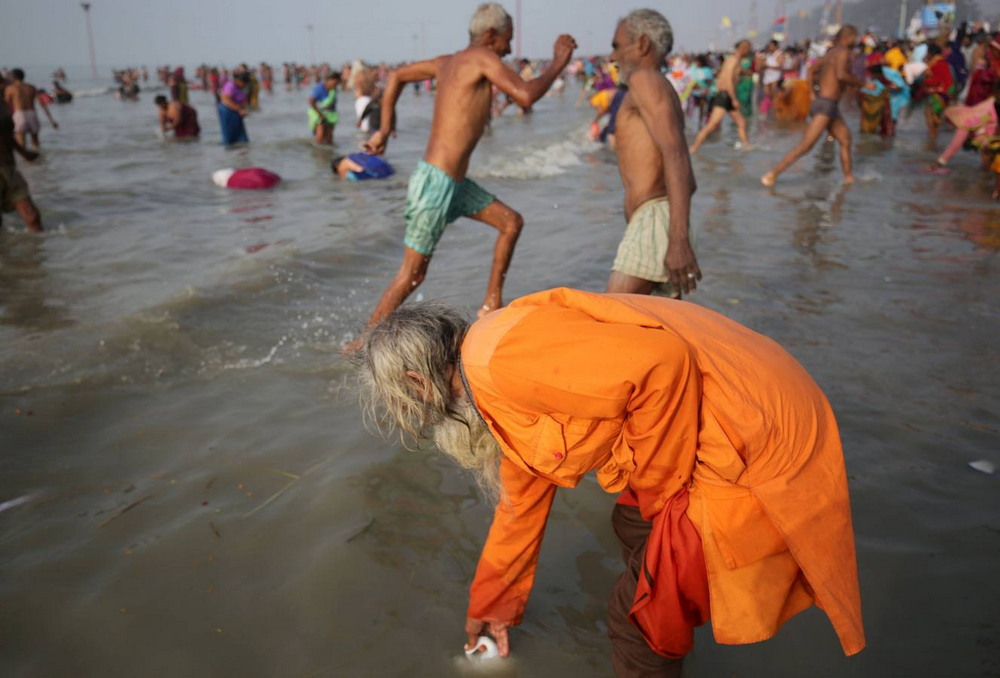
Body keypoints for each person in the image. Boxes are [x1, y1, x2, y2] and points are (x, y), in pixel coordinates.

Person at [355, 287, 867, 676]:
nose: (413, 418)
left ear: (418, 382)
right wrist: (492, 607)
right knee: (631, 520)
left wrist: (661, 493)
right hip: (751, 398)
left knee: (636, 624)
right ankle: (662, 595)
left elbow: (664, 365)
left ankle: (658, 621)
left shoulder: (498, 362)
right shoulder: (486, 376)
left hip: (755, 426)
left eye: (402, 405)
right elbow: (520, 504)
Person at [350, 3, 576, 348]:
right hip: (435, 184)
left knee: (511, 223)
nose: (509, 49)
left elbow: (395, 76)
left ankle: (490, 304)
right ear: (489, 36)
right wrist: (558, 61)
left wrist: (384, 129)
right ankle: (363, 345)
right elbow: (526, 95)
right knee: (412, 275)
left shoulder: (447, 62)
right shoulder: (483, 58)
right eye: (507, 41)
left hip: (453, 184)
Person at [605, 10, 699, 297]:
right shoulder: (655, 85)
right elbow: (686, 174)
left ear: (643, 44)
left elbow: (676, 154)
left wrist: (678, 239)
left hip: (656, 220)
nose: (612, 57)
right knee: (649, 332)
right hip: (656, 221)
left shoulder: (645, 79)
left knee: (610, 320)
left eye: (617, 46)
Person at [762, 26, 865, 187]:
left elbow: (811, 69)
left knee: (845, 138)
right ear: (849, 36)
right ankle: (772, 174)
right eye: (855, 37)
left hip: (828, 105)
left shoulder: (831, 53)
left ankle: (848, 179)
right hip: (826, 105)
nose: (856, 41)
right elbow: (841, 75)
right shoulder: (843, 52)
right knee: (806, 145)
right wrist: (864, 84)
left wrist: (811, 92)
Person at [688, 40, 752, 154]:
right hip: (725, 96)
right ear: (744, 48)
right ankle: (693, 148)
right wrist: (733, 99)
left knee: (741, 122)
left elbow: (726, 75)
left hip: (725, 95)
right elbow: (727, 81)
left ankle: (747, 147)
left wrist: (746, 72)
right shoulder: (733, 61)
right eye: (749, 48)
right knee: (711, 125)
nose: (750, 51)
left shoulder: (733, 61)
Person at [0, 96, 42, 232]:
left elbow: (8, 135)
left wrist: (23, 152)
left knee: (32, 217)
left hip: (9, 169)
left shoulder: (2, 101)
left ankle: (43, 250)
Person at [3, 69, 58, 150]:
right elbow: (42, 105)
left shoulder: (11, 88)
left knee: (21, 143)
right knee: (36, 143)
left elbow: (6, 105)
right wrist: (51, 121)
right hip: (32, 114)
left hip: (19, 115)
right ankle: (38, 160)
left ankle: (25, 162)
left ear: (13, 77)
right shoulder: (31, 87)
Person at [309, 72, 342, 144]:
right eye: (335, 82)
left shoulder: (334, 90)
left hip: (331, 113)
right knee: (320, 136)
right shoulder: (319, 88)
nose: (336, 85)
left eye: (338, 83)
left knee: (329, 137)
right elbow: (311, 101)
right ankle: (318, 153)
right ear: (329, 80)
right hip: (319, 113)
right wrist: (320, 115)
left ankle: (329, 152)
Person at [218, 72, 249, 145]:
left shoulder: (240, 88)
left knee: (241, 136)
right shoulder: (230, 85)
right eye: (243, 83)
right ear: (238, 81)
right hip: (227, 111)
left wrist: (243, 109)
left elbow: (243, 100)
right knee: (230, 134)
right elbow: (226, 99)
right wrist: (239, 109)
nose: (244, 85)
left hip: (236, 111)